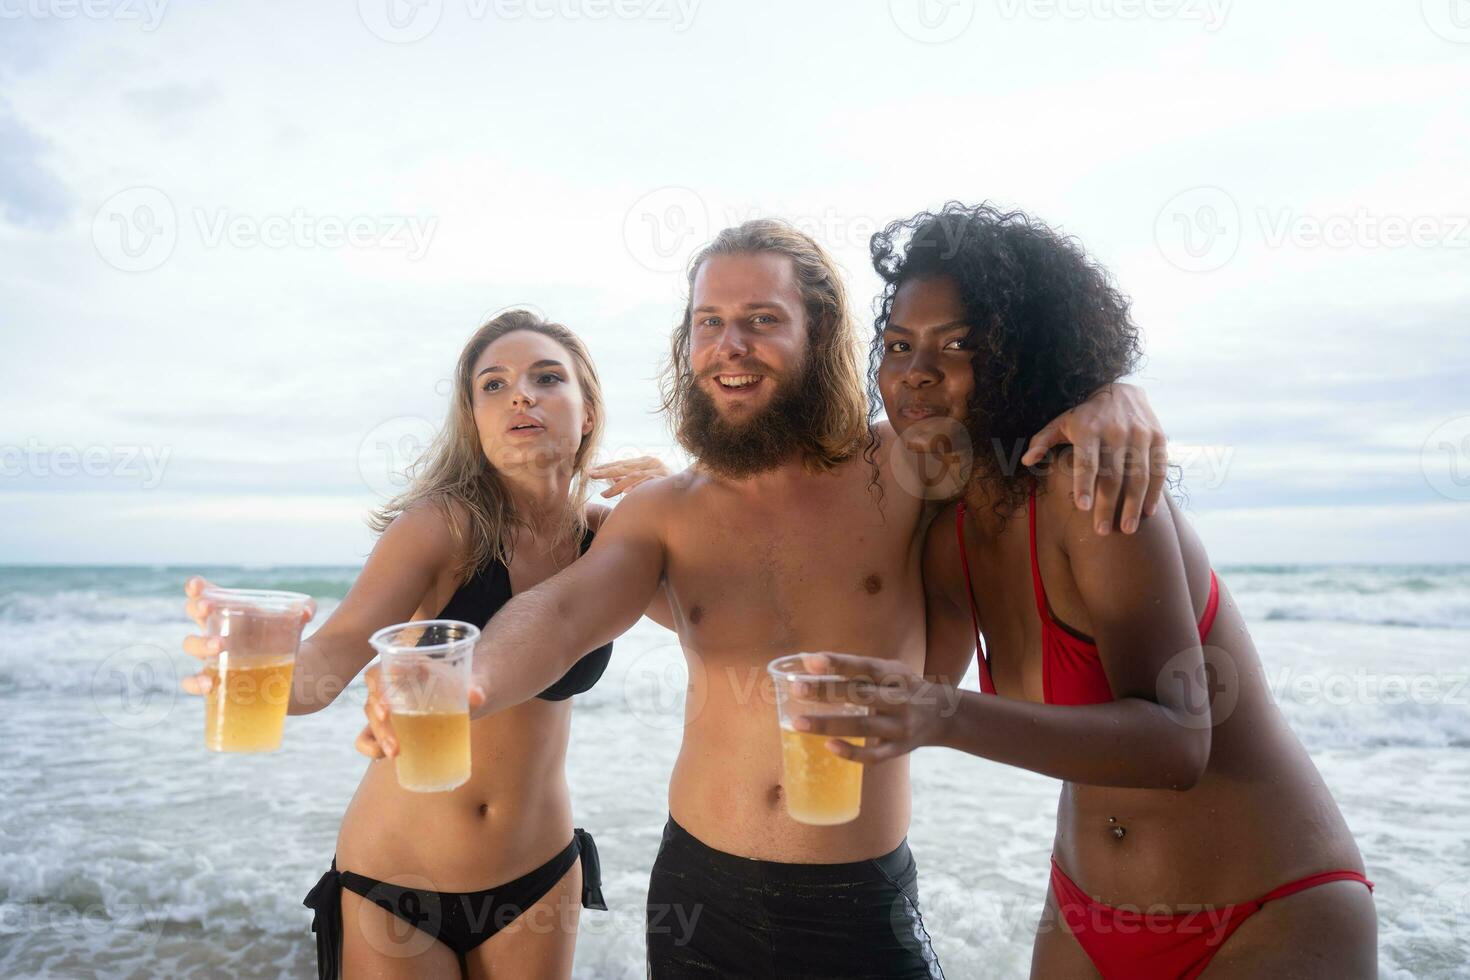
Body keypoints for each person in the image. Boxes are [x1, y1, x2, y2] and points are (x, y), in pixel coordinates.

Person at [359, 221, 1174, 978]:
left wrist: (1108, 394)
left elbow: (1016, 418)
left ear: (819, 333)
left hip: (858, 896)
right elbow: (567, 609)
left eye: (760, 319)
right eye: (708, 322)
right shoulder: (666, 511)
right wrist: (474, 681)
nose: (728, 346)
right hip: (699, 893)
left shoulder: (913, 467)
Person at [794, 203, 1376, 979]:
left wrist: (941, 716)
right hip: (1082, 911)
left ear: (1025, 354)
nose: (917, 370)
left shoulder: (1086, 490)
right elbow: (919, 677)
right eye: (898, 346)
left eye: (958, 344)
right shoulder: (948, 533)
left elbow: (1178, 744)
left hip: (1265, 909)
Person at [179, 309, 673, 979]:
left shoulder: (610, 541)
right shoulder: (442, 526)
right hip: (397, 884)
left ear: (588, 411)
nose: (520, 395)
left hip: (539, 877)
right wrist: (255, 676)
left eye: (546, 377)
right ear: (474, 421)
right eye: (492, 385)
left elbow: (719, 621)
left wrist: (677, 504)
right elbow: (338, 653)